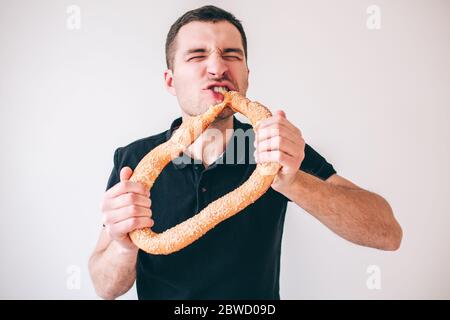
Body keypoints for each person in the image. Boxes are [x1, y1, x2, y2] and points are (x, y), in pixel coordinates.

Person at [88, 5, 402, 300]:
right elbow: (105, 288)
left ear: (246, 76)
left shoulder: (277, 149)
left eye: (231, 55)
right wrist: (123, 246)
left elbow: (388, 234)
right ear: (171, 80)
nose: (217, 67)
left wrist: (293, 182)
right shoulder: (134, 159)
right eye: (197, 56)